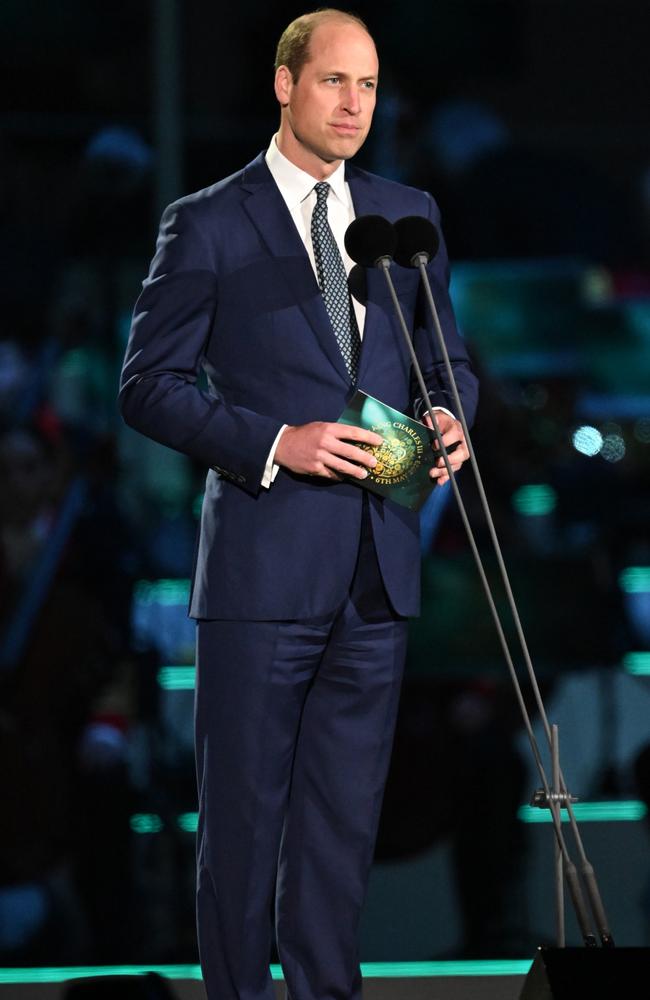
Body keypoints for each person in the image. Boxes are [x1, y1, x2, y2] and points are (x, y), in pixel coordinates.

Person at [119, 9, 478, 999]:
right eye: (333, 82)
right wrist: (276, 441)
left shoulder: (407, 215)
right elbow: (146, 383)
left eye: (367, 86)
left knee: (336, 834)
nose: (354, 103)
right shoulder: (209, 220)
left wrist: (449, 415)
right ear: (284, 85)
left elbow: (445, 361)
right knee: (239, 831)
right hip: (261, 572)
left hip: (376, 569)